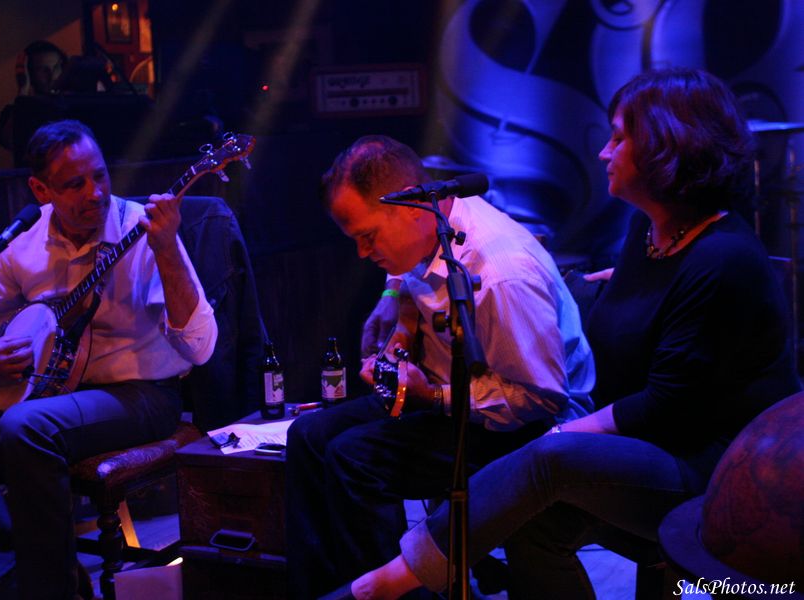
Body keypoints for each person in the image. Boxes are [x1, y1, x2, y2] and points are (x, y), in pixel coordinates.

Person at [342, 68, 802, 600]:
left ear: (668, 145)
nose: (605, 152)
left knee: (549, 457)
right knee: (533, 519)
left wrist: (563, 433)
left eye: (619, 137)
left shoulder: (723, 258)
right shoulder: (650, 232)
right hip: (652, 445)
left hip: (718, 472)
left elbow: (663, 406)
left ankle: (396, 578)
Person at [0, 120, 217, 599]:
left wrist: (168, 250)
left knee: (24, 427)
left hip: (141, 394)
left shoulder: (141, 230)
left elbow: (200, 346)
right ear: (40, 190)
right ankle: (24, 569)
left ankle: (47, 590)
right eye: (75, 184)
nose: (96, 193)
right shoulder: (23, 247)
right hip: (50, 390)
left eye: (100, 175)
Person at [285, 135, 596, 598]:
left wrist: (432, 396)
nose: (362, 253)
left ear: (411, 206)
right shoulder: (431, 214)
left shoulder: (501, 274)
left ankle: (394, 593)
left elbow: (540, 397)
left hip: (532, 425)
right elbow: (410, 273)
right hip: (454, 392)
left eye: (368, 237)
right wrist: (398, 311)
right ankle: (326, 591)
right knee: (308, 436)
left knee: (355, 459)